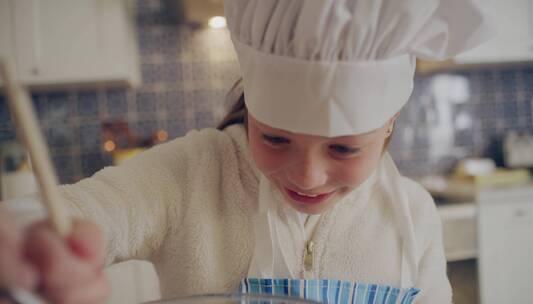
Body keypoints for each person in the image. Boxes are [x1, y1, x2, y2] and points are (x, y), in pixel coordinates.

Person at [0, 0, 493, 303]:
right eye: (276, 138)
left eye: (343, 148)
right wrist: (30, 247)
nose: (307, 175)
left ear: (388, 127)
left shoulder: (411, 214)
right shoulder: (191, 173)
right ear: (252, 113)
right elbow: (87, 210)